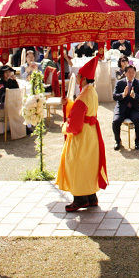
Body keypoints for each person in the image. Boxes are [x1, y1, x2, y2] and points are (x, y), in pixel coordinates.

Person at [55, 56, 108, 211]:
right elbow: (84, 111)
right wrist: (69, 104)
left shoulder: (83, 97)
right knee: (89, 164)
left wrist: (65, 127)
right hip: (91, 133)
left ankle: (79, 199)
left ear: (84, 79)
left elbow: (75, 124)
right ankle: (91, 196)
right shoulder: (92, 92)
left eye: (79, 76)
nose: (77, 77)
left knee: (76, 164)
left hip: (82, 135)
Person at [112, 64, 139, 150]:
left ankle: (137, 141)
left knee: (138, 119)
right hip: (122, 108)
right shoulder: (120, 83)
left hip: (134, 109)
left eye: (133, 72)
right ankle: (117, 141)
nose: (131, 74)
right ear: (125, 73)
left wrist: (134, 96)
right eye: (129, 72)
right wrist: (123, 94)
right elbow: (114, 96)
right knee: (115, 121)